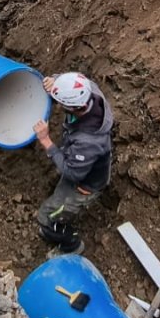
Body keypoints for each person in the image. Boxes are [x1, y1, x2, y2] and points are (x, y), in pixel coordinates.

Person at [33, 71, 114, 255]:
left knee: (46, 217)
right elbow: (78, 81)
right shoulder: (90, 91)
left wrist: (46, 141)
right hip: (83, 163)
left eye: (61, 102)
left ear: (73, 107)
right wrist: (55, 81)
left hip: (83, 185)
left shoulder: (88, 141)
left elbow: (72, 173)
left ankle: (72, 245)